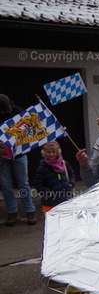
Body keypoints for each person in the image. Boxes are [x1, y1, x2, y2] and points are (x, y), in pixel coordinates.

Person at [0, 93, 37, 226]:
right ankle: (12, 212)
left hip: (19, 154)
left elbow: (29, 130)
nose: (2, 113)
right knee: (5, 185)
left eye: (4, 110)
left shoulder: (19, 112)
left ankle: (30, 211)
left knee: (23, 183)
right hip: (1, 156)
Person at [33, 141, 75, 213]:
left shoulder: (64, 164)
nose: (51, 154)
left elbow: (72, 175)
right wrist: (49, 193)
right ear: (44, 153)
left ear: (58, 152)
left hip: (66, 200)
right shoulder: (42, 168)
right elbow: (38, 184)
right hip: (50, 203)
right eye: (48, 152)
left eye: (53, 152)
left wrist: (71, 184)